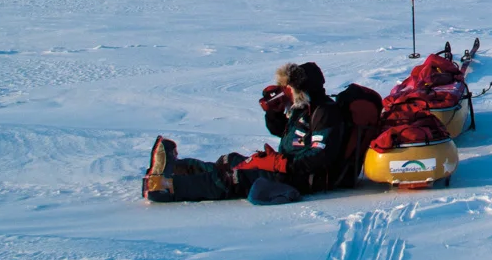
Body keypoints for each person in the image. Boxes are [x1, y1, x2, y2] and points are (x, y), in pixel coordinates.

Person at [143, 62, 348, 204]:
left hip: (306, 177)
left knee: (237, 177)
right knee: (231, 161)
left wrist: (279, 163)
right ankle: (174, 168)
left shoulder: (325, 112)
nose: (285, 91)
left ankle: (168, 188)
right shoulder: (303, 108)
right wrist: (274, 113)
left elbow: (321, 156)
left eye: (288, 88)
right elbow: (283, 132)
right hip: (288, 167)